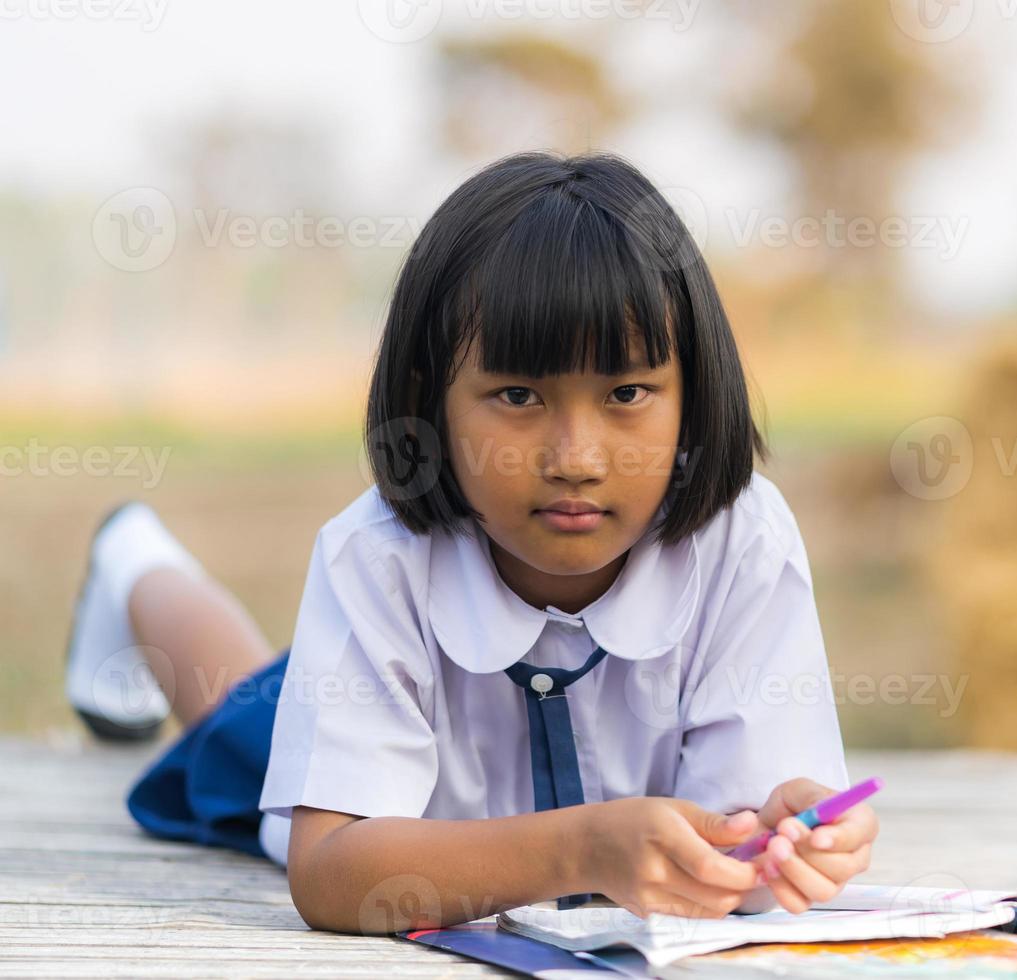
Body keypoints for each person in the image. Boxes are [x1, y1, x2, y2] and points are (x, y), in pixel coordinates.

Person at [62, 152, 878, 935]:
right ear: (428, 400)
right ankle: (131, 559)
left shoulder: (742, 542)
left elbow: (744, 829)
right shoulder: (376, 560)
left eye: (627, 392)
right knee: (238, 706)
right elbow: (330, 870)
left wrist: (784, 840)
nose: (576, 460)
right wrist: (584, 846)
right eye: (518, 394)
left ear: (693, 395)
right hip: (393, 776)